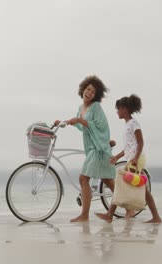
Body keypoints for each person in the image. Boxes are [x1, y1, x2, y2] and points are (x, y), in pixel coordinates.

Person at [54, 75, 116, 222]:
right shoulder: (80, 108)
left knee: (83, 179)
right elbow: (82, 127)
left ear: (96, 96)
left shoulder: (96, 107)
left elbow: (100, 127)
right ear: (83, 89)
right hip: (91, 148)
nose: (89, 93)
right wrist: (62, 122)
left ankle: (84, 215)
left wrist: (80, 120)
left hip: (98, 148)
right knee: (109, 183)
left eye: (93, 92)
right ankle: (129, 208)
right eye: (88, 89)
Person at [96, 95, 162, 223]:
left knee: (122, 186)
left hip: (135, 160)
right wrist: (117, 157)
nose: (117, 112)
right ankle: (155, 216)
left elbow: (140, 142)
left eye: (118, 109)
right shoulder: (127, 125)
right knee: (138, 189)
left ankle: (111, 214)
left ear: (124, 109)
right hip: (131, 159)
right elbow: (128, 147)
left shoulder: (133, 123)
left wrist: (136, 158)